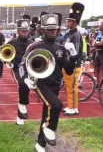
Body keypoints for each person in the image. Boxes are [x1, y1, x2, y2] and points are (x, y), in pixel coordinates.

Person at [18, 13, 77, 152]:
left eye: (55, 29)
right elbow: (22, 65)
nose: (53, 32)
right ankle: (50, 129)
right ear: (43, 30)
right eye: (49, 29)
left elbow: (68, 71)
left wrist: (74, 55)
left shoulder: (61, 48)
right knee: (56, 105)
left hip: (55, 84)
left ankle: (40, 144)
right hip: (40, 83)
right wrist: (25, 79)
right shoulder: (34, 46)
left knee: (47, 113)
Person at [6, 18, 33, 125]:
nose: (25, 33)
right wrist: (8, 62)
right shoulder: (11, 43)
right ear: (17, 31)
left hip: (30, 69)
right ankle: (22, 105)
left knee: (27, 88)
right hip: (17, 68)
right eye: (22, 31)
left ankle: (20, 116)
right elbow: (4, 54)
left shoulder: (32, 43)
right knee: (22, 83)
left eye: (26, 31)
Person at [61, 2, 85, 116]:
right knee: (68, 87)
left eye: (69, 21)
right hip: (67, 63)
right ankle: (71, 105)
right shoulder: (68, 33)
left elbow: (74, 51)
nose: (67, 23)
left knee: (73, 86)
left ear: (74, 22)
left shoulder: (76, 34)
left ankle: (74, 108)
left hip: (74, 64)